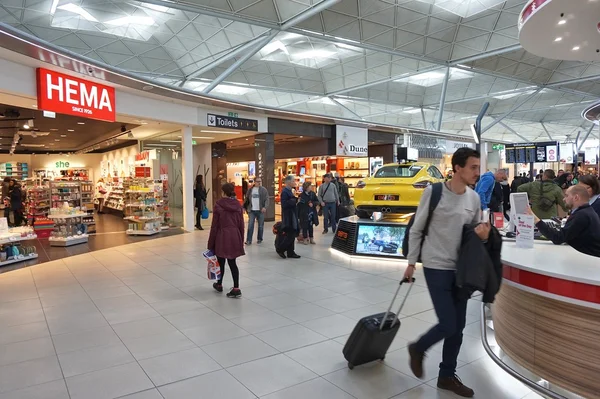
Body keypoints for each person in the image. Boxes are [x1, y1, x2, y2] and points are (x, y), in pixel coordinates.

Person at [405, 147, 487, 398]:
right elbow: (417, 229)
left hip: (460, 269)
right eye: (473, 167)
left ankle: (446, 376)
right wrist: (410, 263)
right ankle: (418, 347)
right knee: (448, 323)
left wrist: (483, 235)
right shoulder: (434, 192)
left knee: (459, 327)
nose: (477, 172)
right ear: (458, 168)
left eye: (478, 167)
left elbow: (475, 234)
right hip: (435, 265)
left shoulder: (473, 198)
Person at [529, 185, 600, 258]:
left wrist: (535, 219)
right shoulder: (587, 212)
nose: (564, 199)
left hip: (586, 260)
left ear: (576, 197)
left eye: (566, 196)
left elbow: (558, 238)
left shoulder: (582, 215)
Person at [208, 183, 245, 298]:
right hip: (234, 235)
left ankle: (219, 284)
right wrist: (241, 240)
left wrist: (211, 243)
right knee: (232, 262)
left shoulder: (219, 205)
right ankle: (236, 287)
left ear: (223, 192)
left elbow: (214, 225)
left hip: (222, 235)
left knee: (221, 262)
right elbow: (241, 225)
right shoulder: (238, 205)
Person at [278, 174, 301, 259]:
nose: (294, 182)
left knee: (293, 232)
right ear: (288, 182)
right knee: (290, 234)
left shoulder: (290, 191)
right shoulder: (285, 192)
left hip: (292, 215)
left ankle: (290, 252)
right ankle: (281, 248)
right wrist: (294, 200)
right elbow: (284, 204)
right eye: (293, 181)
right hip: (288, 216)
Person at [244, 177, 268, 245]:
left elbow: (267, 199)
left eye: (260, 181)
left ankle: (260, 238)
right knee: (250, 225)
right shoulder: (250, 190)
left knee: (260, 226)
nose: (259, 182)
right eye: (257, 181)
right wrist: (244, 207)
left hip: (260, 211)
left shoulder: (264, 190)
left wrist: (265, 207)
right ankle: (249, 240)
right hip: (252, 210)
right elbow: (246, 199)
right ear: (254, 182)